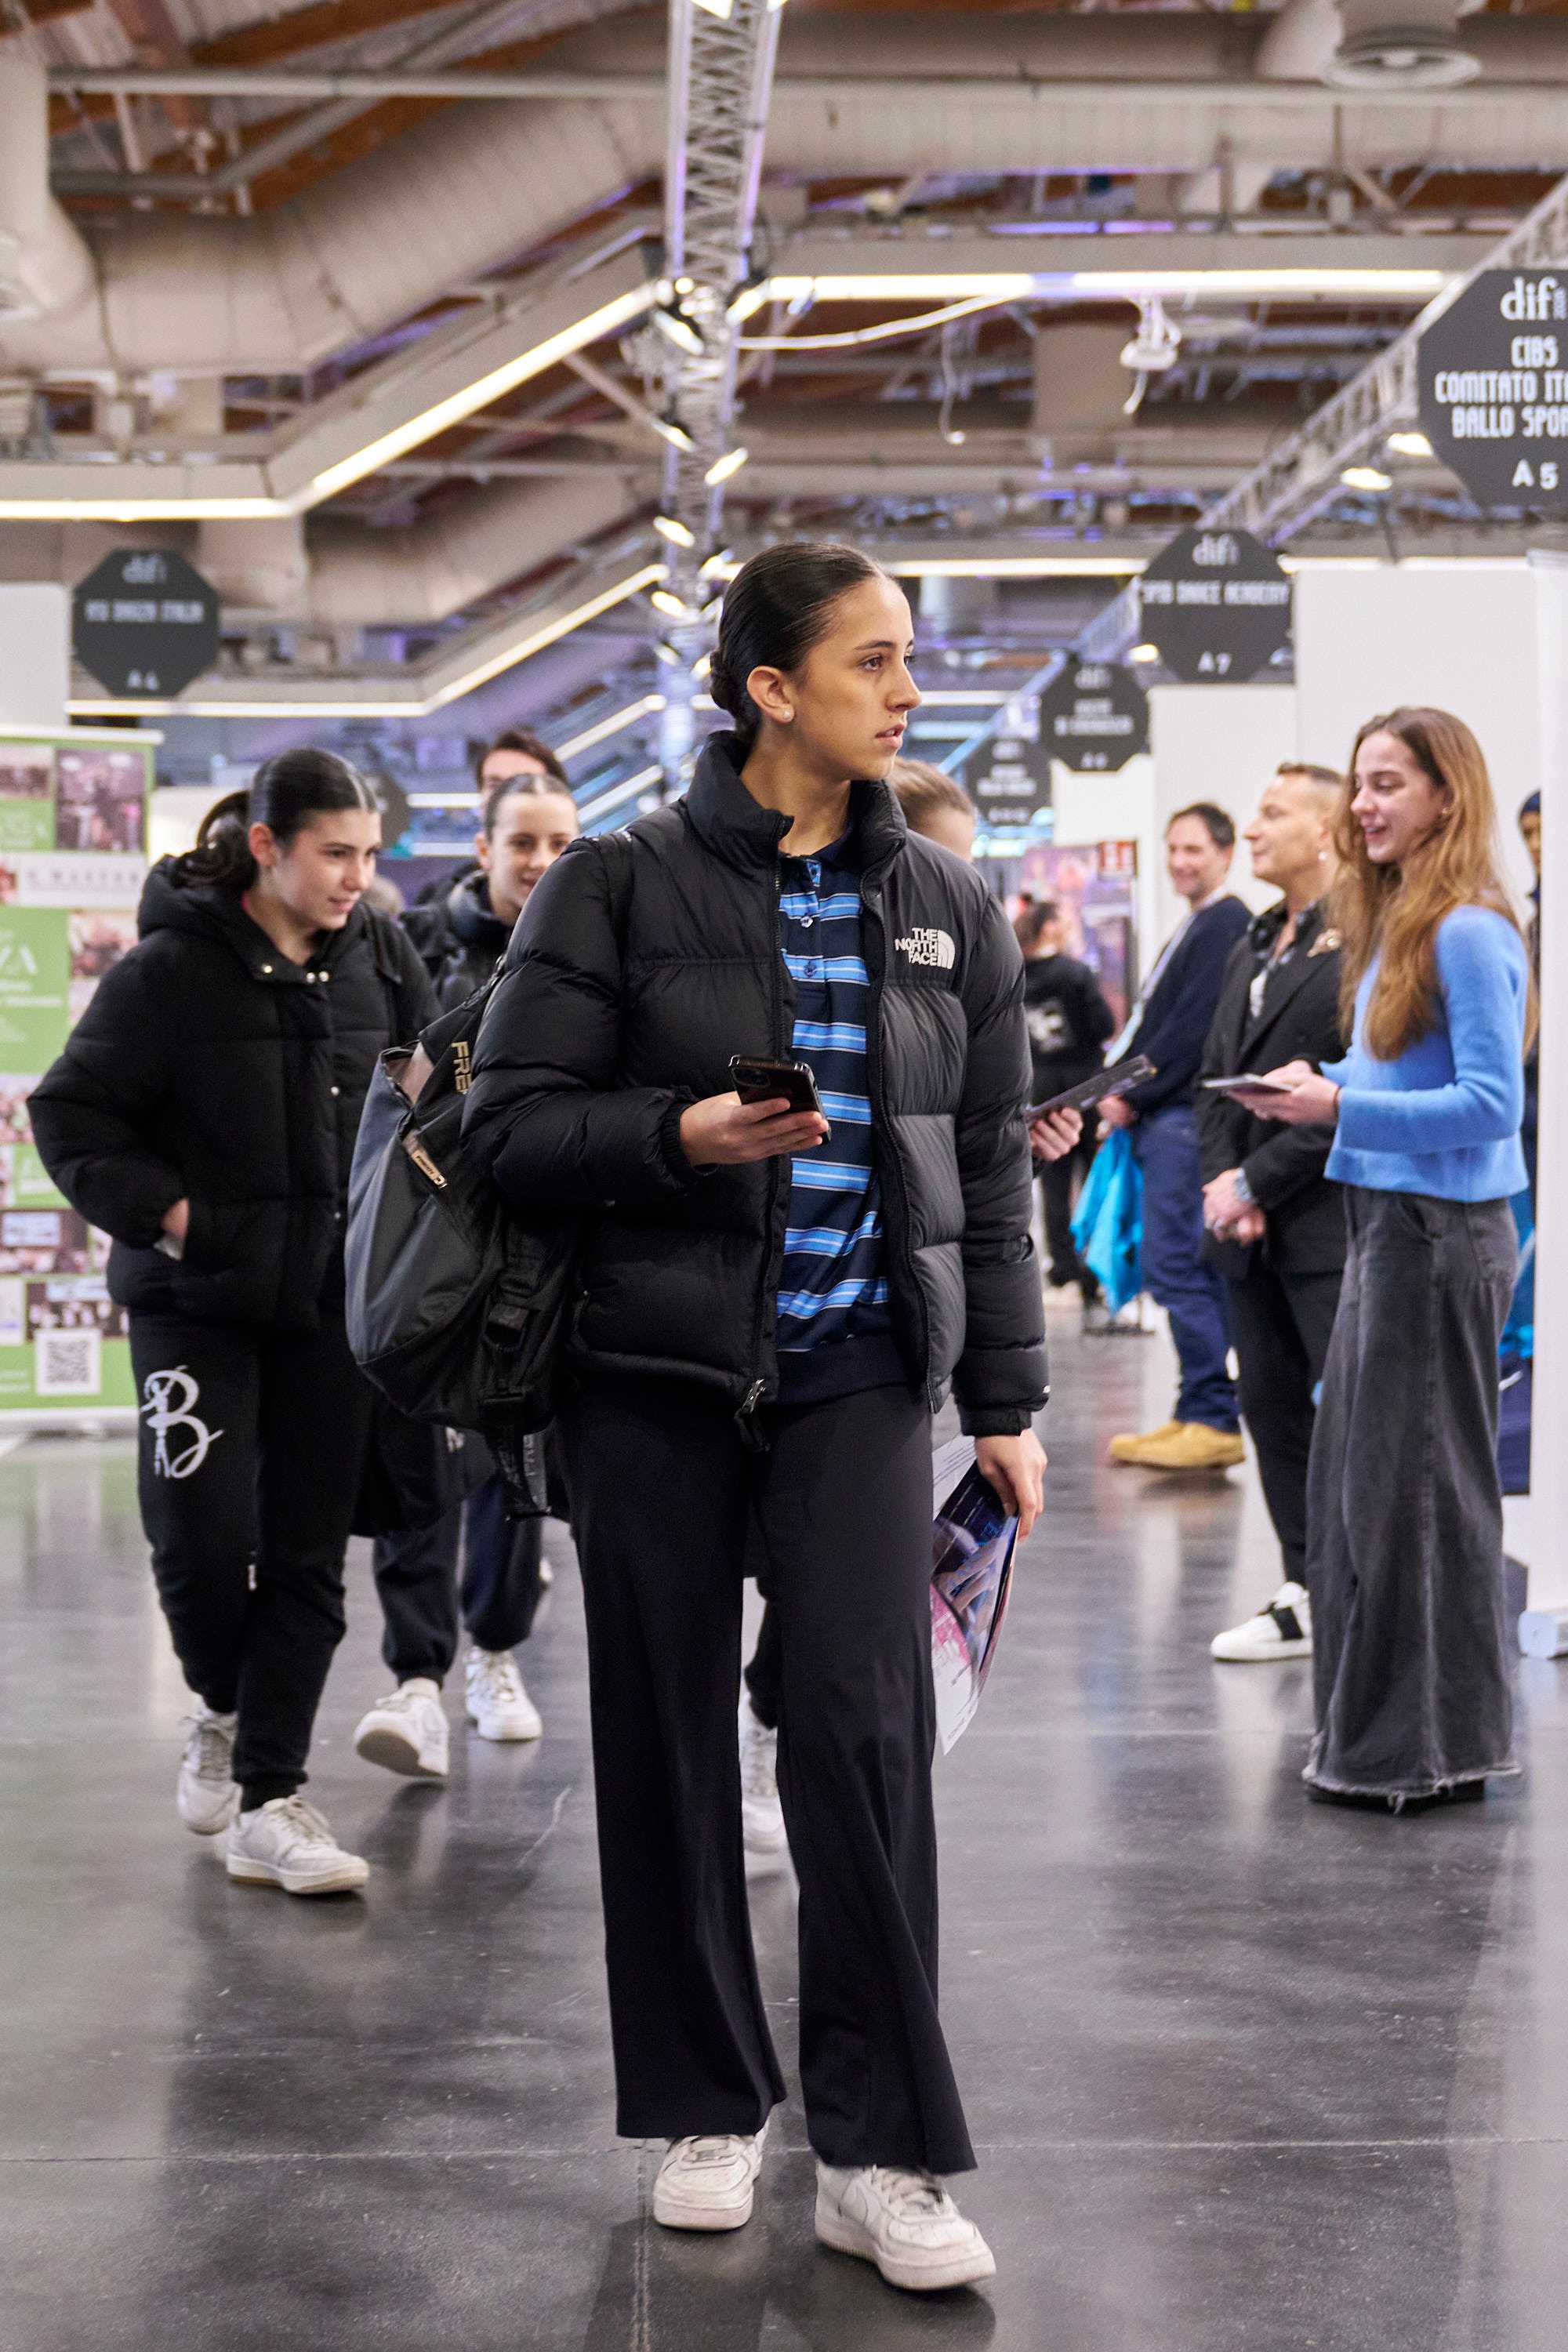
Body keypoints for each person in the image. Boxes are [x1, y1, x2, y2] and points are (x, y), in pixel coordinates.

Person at [463, 541, 1047, 2292]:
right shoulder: (615, 883)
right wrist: (681, 1137)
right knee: (663, 1740)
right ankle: (707, 2104)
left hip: (860, 1379)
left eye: (907, 658)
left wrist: (1007, 1397)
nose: (907, 690)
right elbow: (509, 1125)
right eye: (873, 660)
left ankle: (880, 2152)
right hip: (647, 1379)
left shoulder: (948, 901)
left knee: (864, 1744)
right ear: (770, 689)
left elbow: (989, 1169)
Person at [30, 752, 434, 1895]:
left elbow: (432, 1095)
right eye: (334, 853)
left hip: (329, 1311)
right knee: (200, 1545)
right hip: (195, 1307)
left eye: (368, 854)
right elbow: (69, 1114)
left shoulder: (381, 958)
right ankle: (219, 1704)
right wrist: (178, 1220)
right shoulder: (167, 972)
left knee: (307, 1555)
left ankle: (270, 1798)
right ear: (266, 846)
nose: (356, 876)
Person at [1252, 707, 1530, 1811]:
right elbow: (1401, 1078)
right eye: (1360, 784)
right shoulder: (1403, 924)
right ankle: (1387, 1745)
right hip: (1388, 1228)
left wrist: (1338, 1106)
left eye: (1387, 784)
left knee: (1416, 1498)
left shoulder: (1466, 930)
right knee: (1368, 1494)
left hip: (1437, 1235)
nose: (1362, 805)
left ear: (1444, 797)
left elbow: (1490, 1106)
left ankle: (1421, 1753)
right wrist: (1324, 1085)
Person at [737, 753, 977, 1871]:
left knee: (844, 1625)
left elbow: (954, 1149)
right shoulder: (743, 912)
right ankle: (761, 1728)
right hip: (723, 1336)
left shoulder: (953, 945)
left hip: (873, 1343)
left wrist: (1006, 1406)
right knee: (783, 1587)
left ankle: (770, 1730)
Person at [354, 771, 583, 1777]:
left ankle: (493, 1653)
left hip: (539, 1254)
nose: (540, 861)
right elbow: (389, 1084)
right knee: (416, 1455)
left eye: (559, 841)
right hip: (436, 1235)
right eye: (522, 841)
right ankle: (416, 1677)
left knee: (507, 1459)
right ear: (484, 849)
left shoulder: (592, 950)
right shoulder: (420, 949)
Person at [1198, 764, 1347, 1663]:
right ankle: (1306, 1586)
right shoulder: (1254, 938)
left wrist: (1255, 1182)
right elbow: (1215, 1074)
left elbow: (1351, 1093)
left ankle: (1351, 1589)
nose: (1250, 830)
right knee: (1270, 1409)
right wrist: (1223, 1186)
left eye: (1271, 814)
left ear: (1325, 832)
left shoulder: (1360, 941)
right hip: (1247, 1233)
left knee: (1342, 1421)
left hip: (1327, 1224)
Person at [1104, 804, 1252, 1469]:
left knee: (1176, 1266)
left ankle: (1212, 1414)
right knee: (1185, 1266)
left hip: (1181, 1120)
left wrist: (1130, 1094)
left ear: (1225, 853)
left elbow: (1191, 1031)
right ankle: (1198, 1408)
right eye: (1173, 849)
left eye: (1194, 850)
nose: (1180, 862)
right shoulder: (1201, 924)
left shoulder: (1225, 923)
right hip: (1170, 1119)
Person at [1014, 899, 1116, 1318]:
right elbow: (1104, 1025)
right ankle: (1095, 1276)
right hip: (1085, 1087)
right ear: (1051, 927)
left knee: (1053, 1185)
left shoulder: (1015, 974)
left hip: (1042, 1088)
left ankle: (1063, 1273)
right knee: (1094, 1180)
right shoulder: (1075, 974)